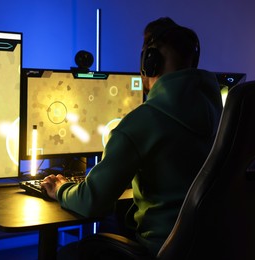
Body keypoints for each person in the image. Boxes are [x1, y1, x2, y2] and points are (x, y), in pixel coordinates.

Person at [41, 16, 223, 258]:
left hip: (164, 249)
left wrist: (61, 188)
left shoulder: (143, 121)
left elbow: (91, 202)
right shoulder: (224, 115)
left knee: (69, 254)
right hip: (216, 248)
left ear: (150, 62)